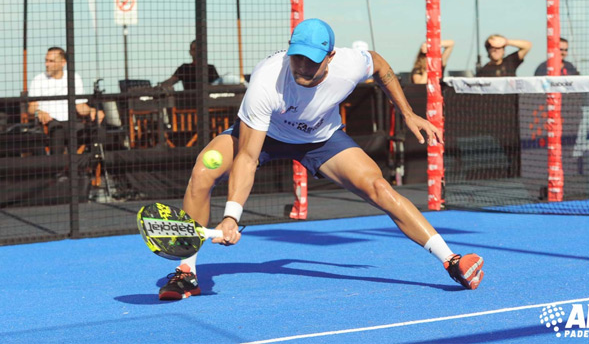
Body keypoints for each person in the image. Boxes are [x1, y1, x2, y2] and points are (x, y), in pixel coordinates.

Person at [158, 19, 484, 301]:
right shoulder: (266, 82)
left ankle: (451, 260)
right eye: (296, 57)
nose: (301, 66)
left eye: (311, 61)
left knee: (378, 188)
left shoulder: (350, 64)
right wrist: (231, 216)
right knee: (206, 167)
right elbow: (247, 156)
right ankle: (186, 270)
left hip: (320, 139)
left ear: (331, 57)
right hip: (265, 134)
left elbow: (381, 65)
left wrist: (409, 113)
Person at [28, 47, 104, 155]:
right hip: (51, 122)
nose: (47, 64)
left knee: (96, 130)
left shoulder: (74, 77)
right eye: (46, 60)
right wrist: (38, 112)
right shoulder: (38, 80)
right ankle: (57, 168)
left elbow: (80, 106)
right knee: (58, 131)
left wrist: (93, 111)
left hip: (72, 122)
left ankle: (92, 164)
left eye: (51, 61)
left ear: (63, 62)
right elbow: (31, 108)